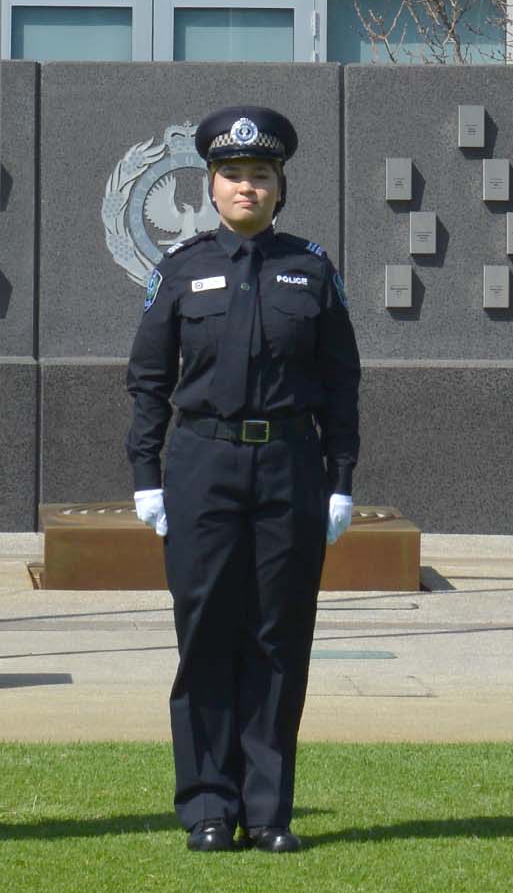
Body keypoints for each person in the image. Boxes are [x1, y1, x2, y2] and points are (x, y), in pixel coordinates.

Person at [126, 105, 361, 854]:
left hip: (289, 465)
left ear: (279, 187)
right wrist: (145, 474)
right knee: (204, 636)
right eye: (233, 176)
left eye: (261, 176)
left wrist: (340, 479)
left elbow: (342, 385)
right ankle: (205, 804)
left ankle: (267, 810)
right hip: (201, 464)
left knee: (278, 638)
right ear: (212, 185)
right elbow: (147, 380)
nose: (247, 188)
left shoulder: (312, 271)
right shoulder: (181, 270)